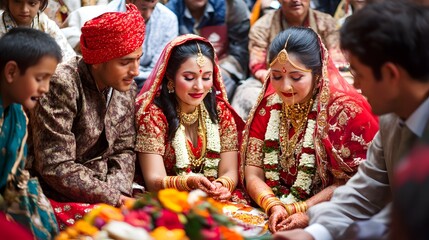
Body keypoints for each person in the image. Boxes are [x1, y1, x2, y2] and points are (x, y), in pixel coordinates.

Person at [272, 1, 429, 239]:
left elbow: (408, 218)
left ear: (390, 74)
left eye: (358, 74)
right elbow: (365, 192)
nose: (355, 85)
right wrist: (315, 232)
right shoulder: (390, 121)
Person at [241, 27, 378, 233]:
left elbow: (359, 184)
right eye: (277, 76)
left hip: (330, 214)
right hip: (270, 208)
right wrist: (273, 205)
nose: (285, 87)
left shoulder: (344, 112)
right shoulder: (269, 107)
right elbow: (252, 172)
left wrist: (303, 211)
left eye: (296, 77)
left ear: (317, 73)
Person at [26, 4, 145, 229]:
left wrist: (118, 193)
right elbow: (55, 165)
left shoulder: (126, 87)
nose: (136, 71)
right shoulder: (62, 84)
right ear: (98, 61)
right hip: (57, 191)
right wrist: (114, 199)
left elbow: (125, 148)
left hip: (109, 190)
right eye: (125, 62)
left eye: (138, 59)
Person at [135, 34, 245, 201]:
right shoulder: (154, 115)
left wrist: (222, 186)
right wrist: (189, 182)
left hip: (212, 197)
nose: (199, 87)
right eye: (189, 78)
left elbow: (229, 171)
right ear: (170, 78)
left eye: (207, 77)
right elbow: (153, 181)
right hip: (169, 199)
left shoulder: (219, 111)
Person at [232, 0, 346, 120]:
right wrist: (278, 81)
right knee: (246, 95)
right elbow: (258, 65)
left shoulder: (327, 22)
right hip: (271, 80)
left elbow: (337, 59)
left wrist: (314, 82)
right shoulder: (263, 25)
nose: (295, 0)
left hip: (321, 79)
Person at [0, 28, 62, 238]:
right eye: (39, 78)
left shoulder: (17, 114)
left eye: (49, 79)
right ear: (11, 72)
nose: (45, 88)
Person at [61, 0, 178, 90]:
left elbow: (158, 70)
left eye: (153, 7)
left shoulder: (169, 18)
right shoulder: (106, 16)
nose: (148, 14)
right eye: (125, 62)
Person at [166, 0, 250, 101]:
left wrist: (219, 72)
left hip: (224, 68)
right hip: (186, 71)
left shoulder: (231, 5)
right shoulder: (169, 13)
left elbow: (240, 50)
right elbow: (170, 56)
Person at [0, 0, 75, 61]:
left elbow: (67, 57)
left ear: (41, 3)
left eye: (32, 3)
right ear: (7, 1)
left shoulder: (45, 23)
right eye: (17, 2)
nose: (24, 9)